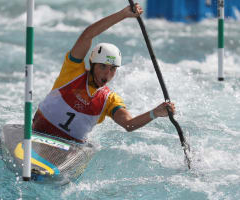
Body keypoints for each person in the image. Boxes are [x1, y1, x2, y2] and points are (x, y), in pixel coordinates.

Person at [32, 3, 175, 143]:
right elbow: (87, 36)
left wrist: (154, 113)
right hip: (38, 131)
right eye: (103, 67)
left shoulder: (110, 100)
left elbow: (129, 124)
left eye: (113, 69)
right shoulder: (73, 71)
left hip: (70, 149)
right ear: (92, 64)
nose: (107, 73)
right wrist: (123, 14)